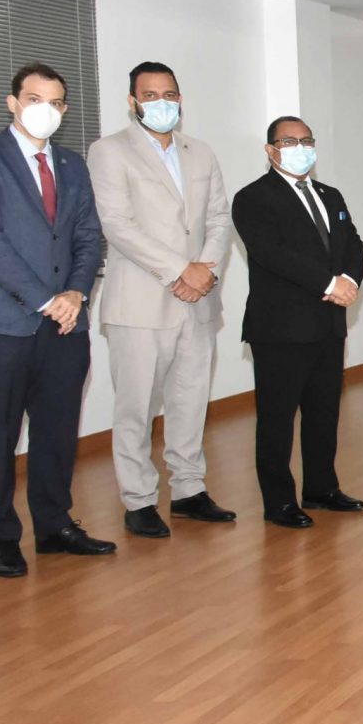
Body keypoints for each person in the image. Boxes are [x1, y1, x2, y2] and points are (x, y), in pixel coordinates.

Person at [0, 63, 113, 576]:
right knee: (0, 431)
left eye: (54, 103)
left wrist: (76, 292)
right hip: (1, 325)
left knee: (57, 429)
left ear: (64, 110)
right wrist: (45, 299)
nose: (44, 110)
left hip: (67, 322)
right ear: (13, 103)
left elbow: (88, 236)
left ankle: (54, 526)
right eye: (34, 99)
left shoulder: (72, 164)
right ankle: (1, 537)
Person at [87, 61, 234, 538]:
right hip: (140, 302)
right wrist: (179, 270)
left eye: (169, 94)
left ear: (180, 99)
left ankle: (189, 490)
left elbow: (219, 218)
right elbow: (117, 224)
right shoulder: (109, 151)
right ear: (132, 102)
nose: (161, 103)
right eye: (150, 95)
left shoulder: (201, 152)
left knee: (190, 401)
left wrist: (205, 270)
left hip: (198, 299)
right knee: (136, 408)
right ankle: (138, 499)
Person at [231, 115, 363, 529]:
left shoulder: (329, 194)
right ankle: (279, 502)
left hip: (329, 324)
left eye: (306, 140)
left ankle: (322, 488)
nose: (300, 148)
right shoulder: (253, 198)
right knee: (277, 419)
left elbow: (353, 243)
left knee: (324, 412)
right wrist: (329, 283)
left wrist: (350, 280)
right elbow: (272, 253)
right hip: (281, 329)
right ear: (270, 150)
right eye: (289, 141)